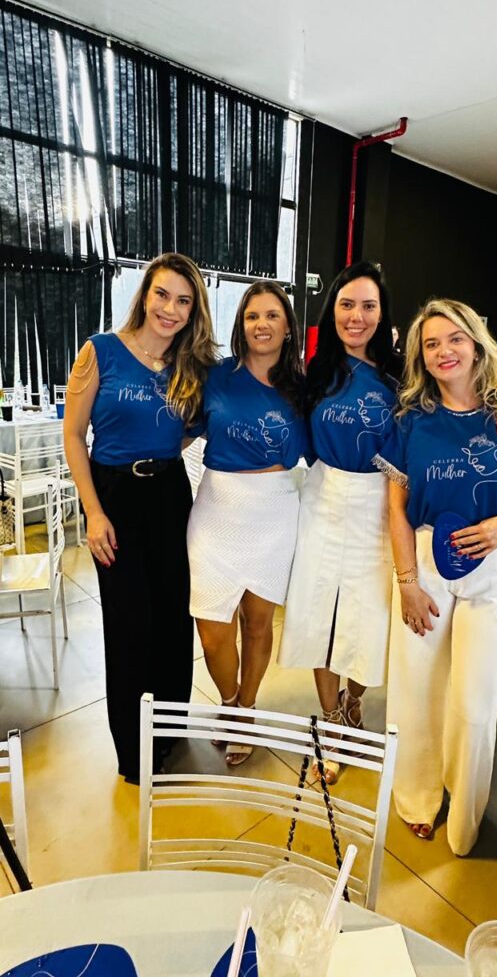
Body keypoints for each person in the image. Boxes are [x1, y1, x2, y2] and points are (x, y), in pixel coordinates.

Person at [375, 299, 497, 855]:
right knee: (417, 689)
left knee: (474, 701)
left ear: (477, 344)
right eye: (431, 343)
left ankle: (465, 812)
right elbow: (397, 510)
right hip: (427, 562)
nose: (443, 351)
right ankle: (417, 796)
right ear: (421, 355)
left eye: (454, 338)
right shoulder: (410, 419)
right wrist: (407, 581)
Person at [64, 252, 217, 784]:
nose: (170, 309)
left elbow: (193, 429)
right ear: (144, 295)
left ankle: (168, 736)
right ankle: (134, 752)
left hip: (170, 494)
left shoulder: (190, 367)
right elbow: (73, 436)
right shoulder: (100, 351)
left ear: (193, 310)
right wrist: (94, 511)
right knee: (129, 626)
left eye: (183, 301)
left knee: (173, 620)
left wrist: (165, 454)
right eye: (162, 295)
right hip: (114, 498)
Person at [278, 261, 397, 784]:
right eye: (347, 305)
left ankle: (354, 701)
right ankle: (329, 719)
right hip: (324, 498)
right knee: (320, 612)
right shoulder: (316, 372)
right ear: (332, 311)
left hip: (379, 503)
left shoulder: (399, 376)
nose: (356, 316)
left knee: (368, 615)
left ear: (382, 314)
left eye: (368, 306)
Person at [187, 280, 308, 766]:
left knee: (258, 624)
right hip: (217, 509)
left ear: (287, 327)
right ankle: (229, 699)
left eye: (272, 315)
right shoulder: (214, 376)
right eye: (252, 316)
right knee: (212, 630)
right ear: (241, 324)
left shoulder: (303, 387)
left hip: (275, 511)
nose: (261, 324)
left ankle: (245, 710)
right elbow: (179, 431)